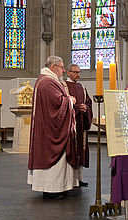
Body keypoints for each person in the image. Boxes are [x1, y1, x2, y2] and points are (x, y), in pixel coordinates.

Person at [27, 56, 78, 199]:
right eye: (61, 68)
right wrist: (70, 100)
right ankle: (51, 189)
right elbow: (56, 104)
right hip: (52, 130)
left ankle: (58, 187)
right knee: (54, 160)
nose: (63, 71)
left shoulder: (47, 80)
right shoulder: (47, 82)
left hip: (47, 128)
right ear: (52, 68)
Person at [65, 63, 93, 187]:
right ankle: (70, 180)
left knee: (80, 151)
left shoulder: (82, 87)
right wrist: (76, 108)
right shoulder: (64, 86)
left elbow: (88, 102)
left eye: (79, 72)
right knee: (72, 151)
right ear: (68, 73)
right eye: (75, 72)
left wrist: (85, 108)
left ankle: (79, 178)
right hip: (70, 125)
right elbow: (63, 103)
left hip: (81, 123)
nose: (78, 75)